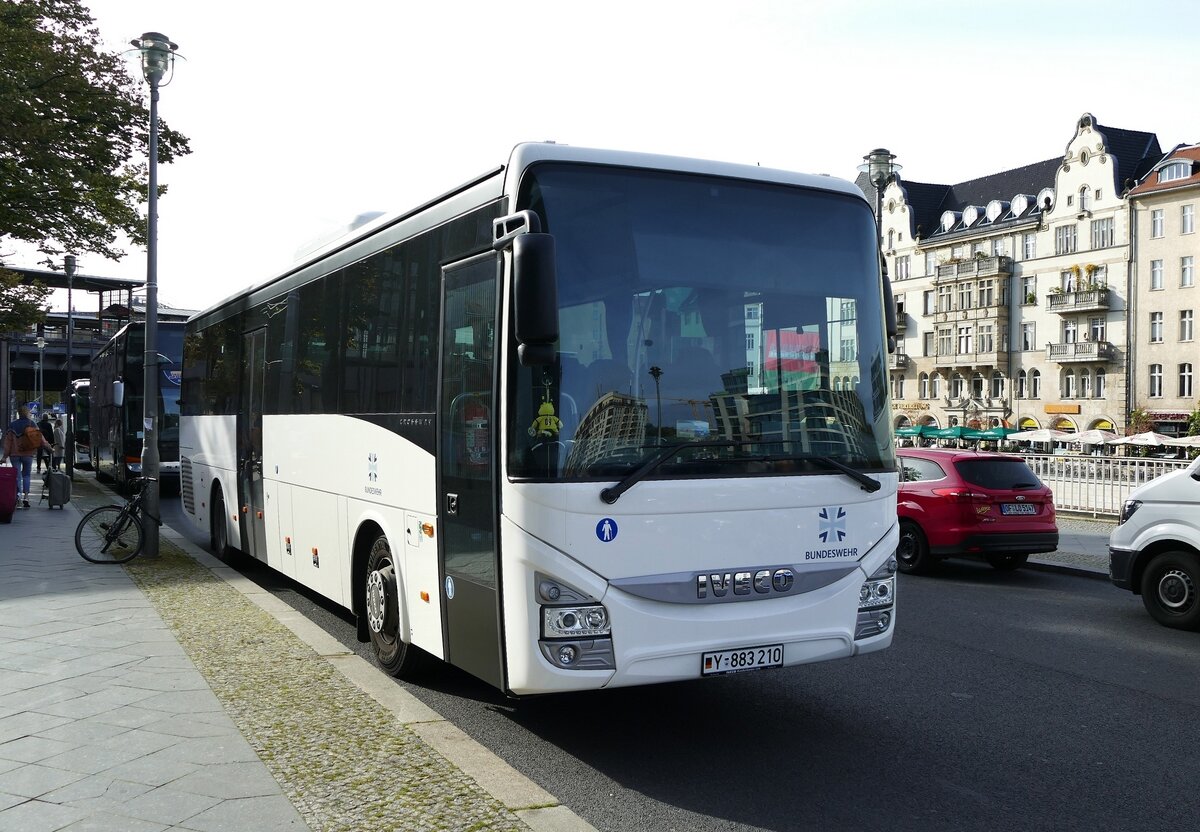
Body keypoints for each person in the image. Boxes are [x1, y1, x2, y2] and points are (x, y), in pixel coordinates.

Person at [2, 406, 52, 509]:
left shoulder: (12, 425)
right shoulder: (32, 424)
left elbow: (8, 443)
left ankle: (18, 497)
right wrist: (49, 448)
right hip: (28, 454)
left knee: (17, 476)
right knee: (26, 475)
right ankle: (26, 497)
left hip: (14, 454)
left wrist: (4, 456)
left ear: (18, 413)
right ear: (27, 413)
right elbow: (40, 438)